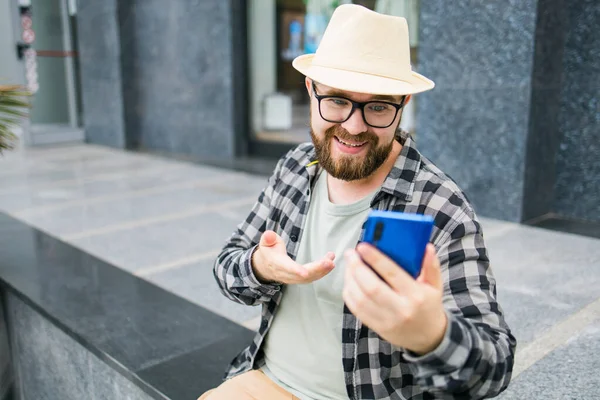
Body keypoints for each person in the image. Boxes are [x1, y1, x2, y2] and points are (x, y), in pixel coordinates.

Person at [202, 4, 516, 400]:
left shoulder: (439, 207)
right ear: (311, 90)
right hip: (264, 381)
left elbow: (495, 367)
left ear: (402, 105)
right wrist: (259, 267)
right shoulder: (296, 167)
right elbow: (227, 267)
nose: (353, 126)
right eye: (336, 100)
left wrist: (431, 335)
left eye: (378, 107)